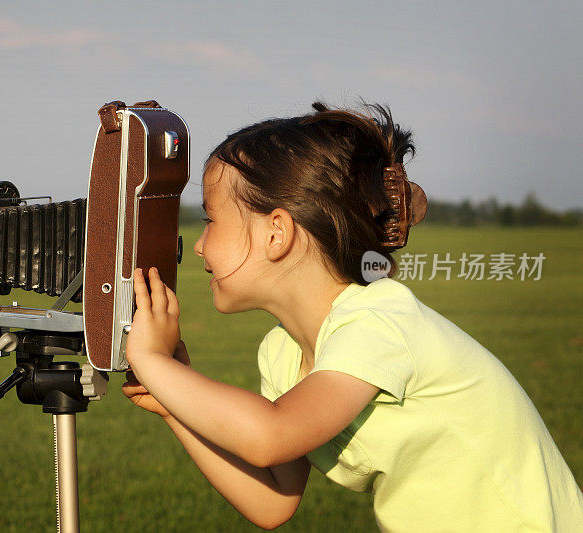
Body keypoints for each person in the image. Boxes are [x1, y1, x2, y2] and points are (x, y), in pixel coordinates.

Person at [121, 101, 583, 531]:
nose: (198, 246)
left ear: (276, 233)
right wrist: (173, 404)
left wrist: (152, 361)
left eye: (210, 220)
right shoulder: (282, 355)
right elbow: (273, 499)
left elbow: (270, 436)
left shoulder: (377, 321)